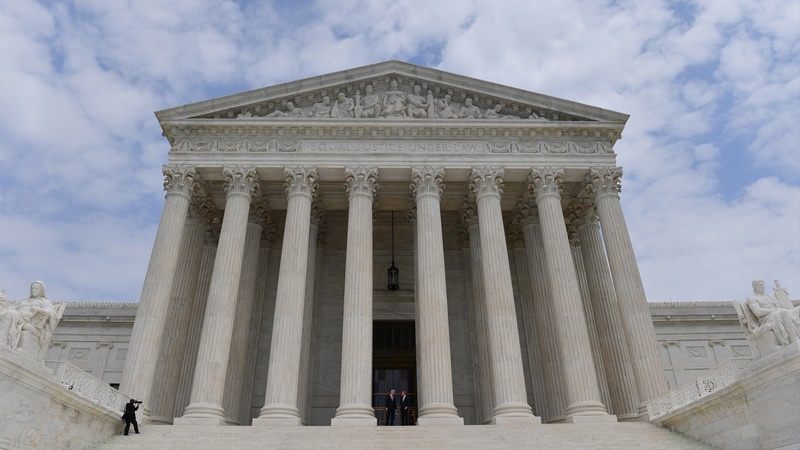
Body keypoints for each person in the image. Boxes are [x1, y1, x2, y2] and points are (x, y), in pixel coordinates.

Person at [0, 281, 56, 349]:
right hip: (17, 315)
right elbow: (8, 309)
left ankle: (2, 341)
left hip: (29, 319)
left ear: (41, 290)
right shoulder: (23, 301)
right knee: (8, 313)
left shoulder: (46, 302)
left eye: (36, 288)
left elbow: (51, 314)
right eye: (32, 288)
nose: (33, 290)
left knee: (10, 313)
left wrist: (39, 310)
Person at [747, 280, 800, 345]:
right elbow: (758, 312)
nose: (762, 286)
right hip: (766, 318)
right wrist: (775, 310)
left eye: (763, 285)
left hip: (778, 313)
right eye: (760, 285)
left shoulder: (770, 296)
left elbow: (781, 305)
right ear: (755, 287)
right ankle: (793, 339)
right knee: (784, 312)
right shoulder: (752, 298)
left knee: (798, 309)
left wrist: (781, 293)